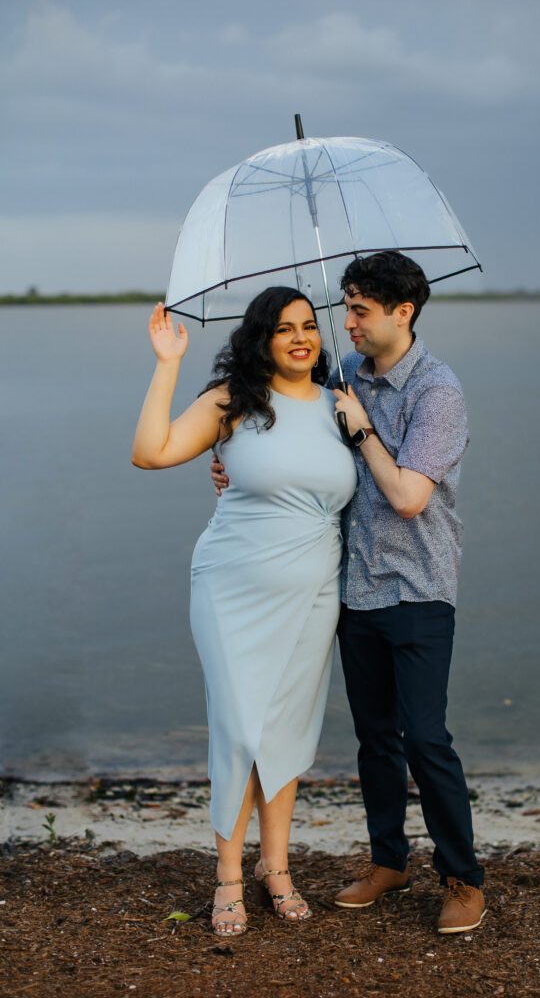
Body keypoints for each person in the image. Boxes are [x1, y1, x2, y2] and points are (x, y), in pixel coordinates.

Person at [212, 250, 485, 935]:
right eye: (346, 308)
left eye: (359, 310)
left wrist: (359, 427)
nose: (347, 322)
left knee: (426, 739)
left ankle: (461, 876)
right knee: (374, 741)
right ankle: (387, 862)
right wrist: (234, 469)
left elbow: (407, 497)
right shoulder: (340, 376)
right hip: (350, 591)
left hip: (418, 589)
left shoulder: (437, 393)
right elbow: (285, 443)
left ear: (403, 313)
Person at [132, 286, 357, 938]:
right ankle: (229, 873)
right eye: (284, 328)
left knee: (286, 728)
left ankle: (275, 866)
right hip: (232, 588)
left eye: (309, 326)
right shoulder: (232, 403)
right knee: (237, 728)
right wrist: (167, 362)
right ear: (259, 339)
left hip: (316, 590)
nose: (300, 337)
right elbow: (150, 452)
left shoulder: (340, 403)